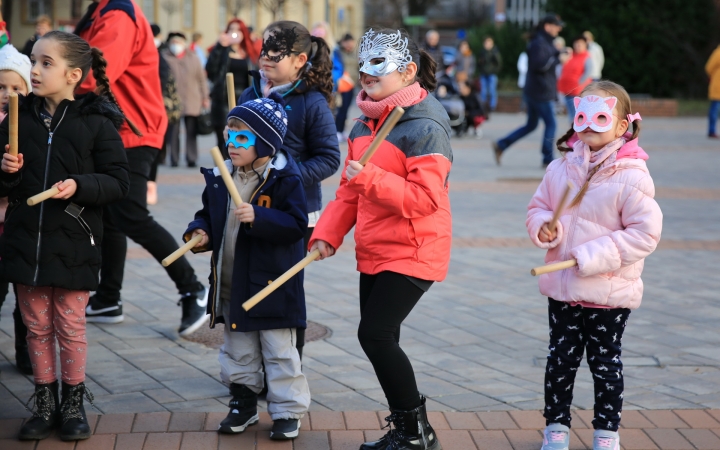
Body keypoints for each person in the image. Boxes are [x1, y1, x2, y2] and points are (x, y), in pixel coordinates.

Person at [309, 28, 452, 450]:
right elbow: (348, 193)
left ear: (408, 71)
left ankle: (415, 433)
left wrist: (370, 177)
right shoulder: (362, 122)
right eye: (363, 64)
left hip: (415, 247)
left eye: (379, 65)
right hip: (375, 249)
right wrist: (327, 236)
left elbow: (425, 200)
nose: (367, 73)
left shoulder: (426, 126)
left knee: (375, 334)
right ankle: (410, 429)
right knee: (379, 338)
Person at [0, 31, 132, 441]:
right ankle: (44, 402)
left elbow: (118, 182)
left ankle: (73, 404)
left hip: (74, 242)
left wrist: (81, 184)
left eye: (45, 63)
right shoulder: (17, 117)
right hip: (25, 242)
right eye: (33, 61)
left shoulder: (96, 122)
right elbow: (6, 187)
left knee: (70, 326)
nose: (34, 71)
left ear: (74, 75)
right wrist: (9, 171)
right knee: (35, 326)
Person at [527, 81, 662, 450]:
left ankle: (606, 433)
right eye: (582, 117)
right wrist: (544, 227)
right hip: (564, 289)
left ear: (621, 126)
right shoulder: (560, 168)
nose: (589, 126)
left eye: (601, 118)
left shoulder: (632, 175)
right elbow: (538, 207)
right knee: (560, 362)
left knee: (605, 364)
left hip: (608, 291)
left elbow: (644, 235)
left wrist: (589, 256)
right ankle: (556, 428)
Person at [76, 0, 208, 335]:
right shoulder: (101, 11)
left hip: (133, 129)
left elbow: (94, 75)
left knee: (130, 214)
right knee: (111, 214)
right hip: (117, 128)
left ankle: (193, 288)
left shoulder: (117, 14)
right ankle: (108, 298)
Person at [184, 95, 310, 441]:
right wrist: (201, 231)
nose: (231, 143)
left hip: (271, 286)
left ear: (265, 144)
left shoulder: (285, 179)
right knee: (237, 350)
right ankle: (242, 403)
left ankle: (286, 411)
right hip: (232, 283)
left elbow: (297, 224)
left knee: (280, 353)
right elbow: (208, 214)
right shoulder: (221, 176)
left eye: (242, 137)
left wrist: (261, 216)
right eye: (229, 135)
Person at [238, 20, 341, 359]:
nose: (265, 57)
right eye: (262, 48)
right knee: (250, 282)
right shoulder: (249, 94)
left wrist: (288, 179)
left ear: (299, 59)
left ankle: (287, 366)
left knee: (283, 290)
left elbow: (328, 158)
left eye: (275, 52)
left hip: (294, 214)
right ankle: (251, 369)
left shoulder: (312, 102)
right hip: (250, 207)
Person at [492, 14, 563, 168]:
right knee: (551, 124)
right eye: (557, 25)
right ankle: (547, 159)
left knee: (531, 125)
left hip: (536, 90)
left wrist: (558, 53)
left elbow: (547, 59)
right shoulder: (539, 42)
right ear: (548, 26)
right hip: (540, 92)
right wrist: (558, 59)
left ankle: (501, 145)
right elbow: (539, 65)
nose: (559, 28)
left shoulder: (544, 41)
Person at [0, 43, 32, 375]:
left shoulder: (31, 126)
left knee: (25, 299)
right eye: (1, 87)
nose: (7, 94)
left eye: (15, 87)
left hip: (20, 223)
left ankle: (25, 349)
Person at [206, 19, 260, 153]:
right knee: (224, 139)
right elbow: (210, 70)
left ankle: (238, 171)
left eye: (238, 29)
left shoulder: (250, 53)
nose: (234, 33)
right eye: (231, 29)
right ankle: (224, 172)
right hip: (223, 99)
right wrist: (220, 47)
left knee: (242, 138)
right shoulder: (222, 50)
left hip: (245, 99)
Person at [162, 32, 210, 168]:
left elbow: (201, 79)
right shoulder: (164, 58)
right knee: (173, 132)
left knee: (191, 131)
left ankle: (191, 157)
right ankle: (174, 158)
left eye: (178, 43)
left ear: (184, 44)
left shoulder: (193, 58)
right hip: (172, 102)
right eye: (173, 43)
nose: (176, 46)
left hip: (192, 99)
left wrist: (205, 97)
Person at [147, 23, 181, 205]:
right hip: (149, 111)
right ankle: (148, 185)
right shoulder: (157, 56)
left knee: (154, 150)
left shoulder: (159, 59)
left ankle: (150, 185)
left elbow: (168, 88)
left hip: (157, 111)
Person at [557, 36, 592, 124]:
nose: (577, 46)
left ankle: (575, 132)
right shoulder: (570, 56)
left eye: (580, 44)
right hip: (566, 89)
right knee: (571, 113)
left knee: (577, 114)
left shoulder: (586, 57)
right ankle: (573, 132)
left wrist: (579, 83)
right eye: (576, 43)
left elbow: (588, 72)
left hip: (578, 91)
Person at [334, 33, 358, 142]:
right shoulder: (338, 53)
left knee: (346, 109)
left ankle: (342, 130)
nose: (349, 45)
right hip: (341, 85)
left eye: (351, 42)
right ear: (343, 42)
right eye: (347, 42)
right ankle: (337, 131)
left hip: (351, 85)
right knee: (340, 109)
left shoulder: (354, 54)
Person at [478, 36, 502, 111]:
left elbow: (499, 63)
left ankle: (492, 106)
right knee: (483, 90)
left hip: (492, 74)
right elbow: (479, 63)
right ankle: (483, 105)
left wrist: (494, 71)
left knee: (492, 90)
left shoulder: (495, 52)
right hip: (483, 73)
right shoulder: (482, 52)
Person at [705, 44, 720, 138]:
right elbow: (709, 67)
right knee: (715, 109)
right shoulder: (718, 52)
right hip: (718, 86)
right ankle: (712, 130)